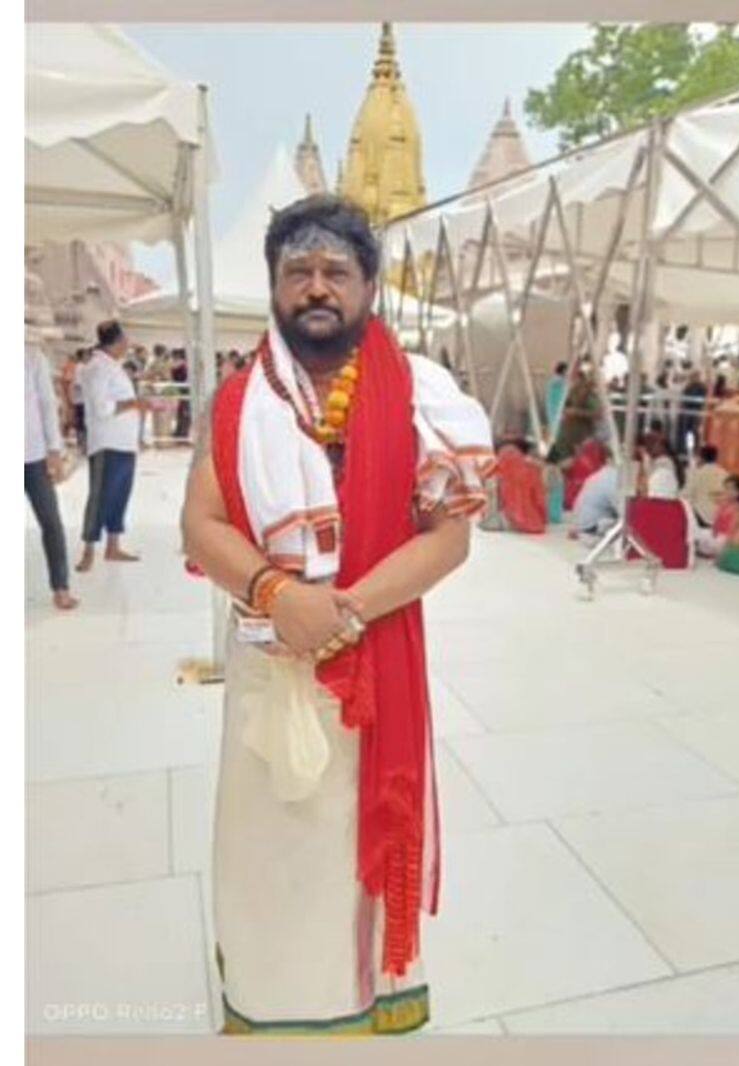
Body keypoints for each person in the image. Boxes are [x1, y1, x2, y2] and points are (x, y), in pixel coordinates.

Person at [181, 195, 495, 1036]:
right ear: (277, 285)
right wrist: (282, 598)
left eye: (336, 272)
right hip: (269, 654)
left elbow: (450, 538)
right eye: (298, 272)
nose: (317, 288)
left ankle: (360, 999)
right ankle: (268, 997)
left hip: (373, 652)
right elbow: (200, 524)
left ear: (367, 287)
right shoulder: (240, 400)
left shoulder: (423, 393)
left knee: (356, 841)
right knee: (267, 842)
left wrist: (341, 610)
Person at [76, 320, 149, 572]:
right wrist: (133, 404)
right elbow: (102, 408)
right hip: (107, 444)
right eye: (124, 340)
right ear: (115, 342)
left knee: (120, 495)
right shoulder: (97, 368)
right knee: (99, 497)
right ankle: (88, 550)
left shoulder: (112, 367)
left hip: (123, 444)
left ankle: (113, 545)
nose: (127, 344)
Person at [25, 330, 79, 610]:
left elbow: (48, 405)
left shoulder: (31, 356)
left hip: (32, 456)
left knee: (51, 522)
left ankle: (61, 587)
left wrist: (54, 450)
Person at [568, 444, 619, 537]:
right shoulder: (612, 476)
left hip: (579, 526)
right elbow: (622, 508)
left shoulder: (596, 475)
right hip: (591, 529)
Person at [683, 444, 728, 527]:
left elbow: (685, 496)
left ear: (700, 458)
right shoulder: (725, 474)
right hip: (720, 519)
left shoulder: (696, 474)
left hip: (700, 518)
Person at [545, 362, 569, 429]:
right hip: (557, 409)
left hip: (553, 409)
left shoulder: (553, 380)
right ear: (564, 370)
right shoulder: (561, 381)